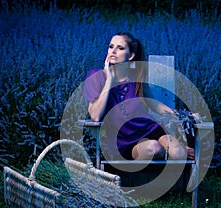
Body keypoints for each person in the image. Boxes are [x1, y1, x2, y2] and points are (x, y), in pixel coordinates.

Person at [83, 32, 194, 161]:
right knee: (154, 148)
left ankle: (175, 150)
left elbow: (155, 104)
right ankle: (166, 150)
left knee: (178, 153)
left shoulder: (137, 78)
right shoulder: (96, 76)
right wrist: (109, 80)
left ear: (130, 56)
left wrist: (185, 116)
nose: (113, 51)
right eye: (111, 46)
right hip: (125, 141)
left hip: (151, 129)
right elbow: (95, 116)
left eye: (120, 48)